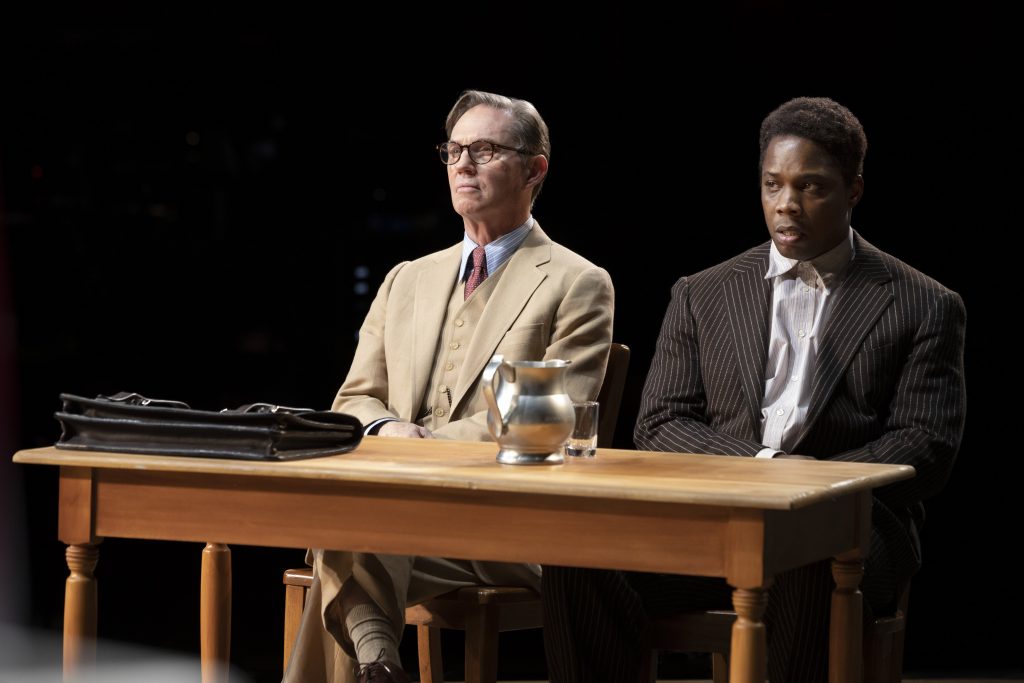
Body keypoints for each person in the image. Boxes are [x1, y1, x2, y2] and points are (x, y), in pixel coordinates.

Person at [542, 96, 966, 682]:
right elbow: (661, 422)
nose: (786, 205)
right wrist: (766, 468)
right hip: (712, 522)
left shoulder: (924, 303)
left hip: (849, 532)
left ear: (855, 190)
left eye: (811, 187)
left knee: (802, 555)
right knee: (578, 554)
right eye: (772, 185)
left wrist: (814, 494)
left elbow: (926, 446)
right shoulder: (702, 292)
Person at [283, 90, 614, 683]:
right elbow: (353, 400)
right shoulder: (408, 278)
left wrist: (418, 446)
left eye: (484, 150)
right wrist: (387, 427)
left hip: (506, 524)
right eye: (453, 150)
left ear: (535, 169)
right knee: (351, 530)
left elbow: (543, 421)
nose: (462, 164)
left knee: (339, 537)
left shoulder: (579, 282)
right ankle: (380, 662)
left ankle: (374, 657)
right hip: (403, 515)